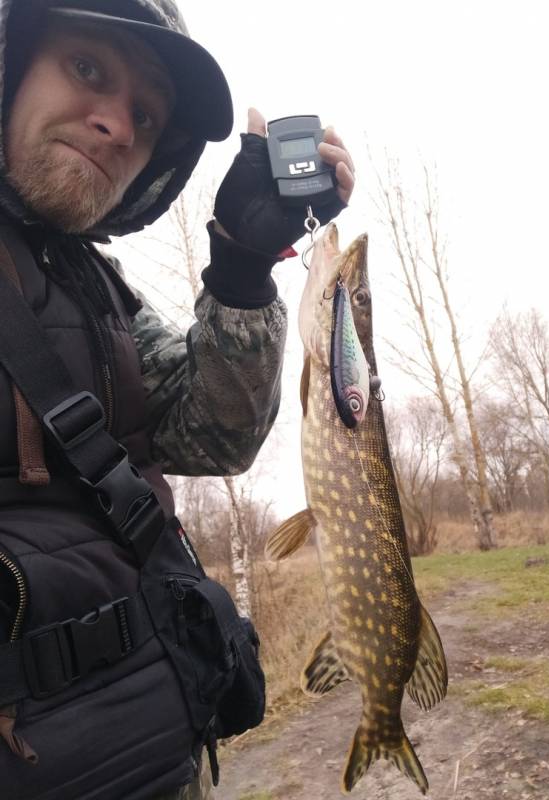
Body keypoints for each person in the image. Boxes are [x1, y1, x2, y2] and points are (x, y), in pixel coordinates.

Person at [0, 1, 354, 799]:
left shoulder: (95, 291)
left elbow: (215, 439)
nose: (119, 127)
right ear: (10, 58)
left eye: (148, 115)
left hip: (158, 763)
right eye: (87, 68)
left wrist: (240, 267)